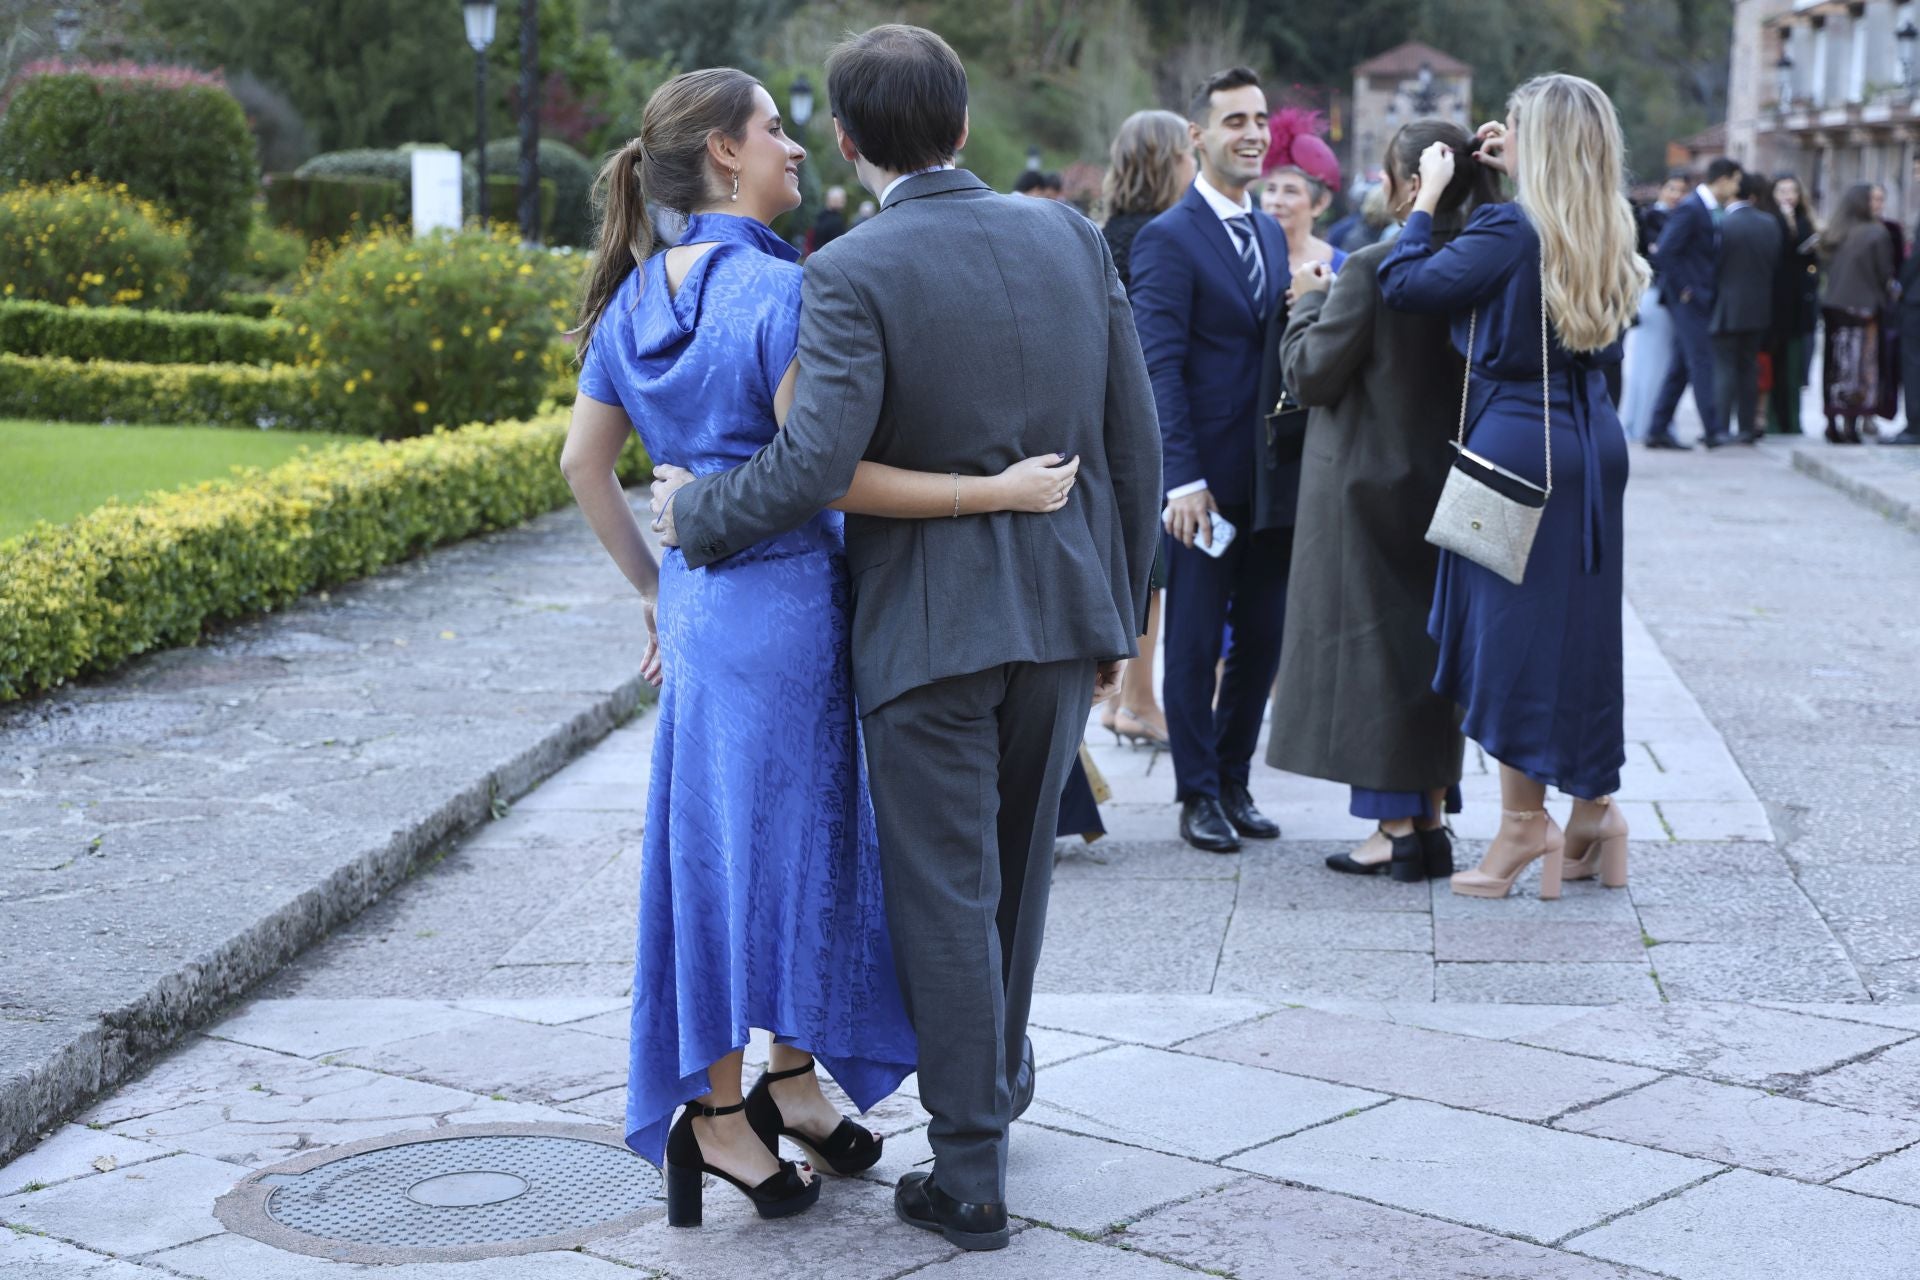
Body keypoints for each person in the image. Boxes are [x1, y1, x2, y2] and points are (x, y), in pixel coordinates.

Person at [650, 25, 1161, 1249]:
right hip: (1055, 614)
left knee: (943, 891)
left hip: (927, 636)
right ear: (966, 125)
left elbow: (815, 464)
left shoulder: (850, 267)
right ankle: (996, 1085)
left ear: (845, 141)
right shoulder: (1070, 233)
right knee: (1012, 884)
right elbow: (1137, 448)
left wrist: (693, 513)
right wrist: (1117, 616)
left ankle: (972, 1167)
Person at [1378, 72, 1645, 901]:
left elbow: (1404, 285)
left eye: (1517, 129)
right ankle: (1595, 811)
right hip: (1594, 443)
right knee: (1582, 634)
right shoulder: (1609, 225)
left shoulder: (1508, 229)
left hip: (1518, 449)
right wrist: (1503, 165)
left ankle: (1525, 824)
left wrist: (1425, 198)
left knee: (1508, 639)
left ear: (1541, 143)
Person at [1272, 115, 1496, 882]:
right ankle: (1429, 819)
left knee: (1371, 653)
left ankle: (1394, 828)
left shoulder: (1370, 266)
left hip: (1366, 483)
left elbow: (1310, 376)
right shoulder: (1481, 262)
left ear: (1407, 184)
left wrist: (1305, 300)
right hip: (1452, 482)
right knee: (1430, 653)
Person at [1129, 66, 1292, 855]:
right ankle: (1196, 794)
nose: (1253, 133)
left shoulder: (1267, 232)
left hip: (1271, 481)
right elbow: (1158, 366)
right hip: (1202, 486)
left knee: (1263, 639)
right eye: (1235, 121)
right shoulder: (1167, 240)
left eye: (1259, 119)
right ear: (1199, 136)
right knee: (1193, 643)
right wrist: (1181, 480)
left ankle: (1234, 777)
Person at [1096, 107, 1195, 751]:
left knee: (1136, 559)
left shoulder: (1108, 231)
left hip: (1103, 410)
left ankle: (1120, 701)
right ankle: (1138, 700)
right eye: (1188, 151)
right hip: (1138, 414)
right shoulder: (1154, 236)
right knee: (1148, 564)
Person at [1643, 156, 1743, 450]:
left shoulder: (1706, 208)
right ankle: (1713, 429)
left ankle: (1657, 429)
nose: (1736, 188)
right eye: (1735, 181)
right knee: (1702, 361)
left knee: (1681, 367)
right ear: (1723, 179)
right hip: (1688, 300)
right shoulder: (1691, 208)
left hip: (1699, 297)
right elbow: (1665, 253)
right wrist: (1684, 290)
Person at [1819, 182, 1895, 445]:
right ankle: (1851, 421)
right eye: (1874, 199)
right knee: (1860, 364)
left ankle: (1832, 419)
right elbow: (1884, 272)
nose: (1879, 205)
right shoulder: (1876, 233)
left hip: (1834, 304)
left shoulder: (1835, 232)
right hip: (1863, 307)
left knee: (1834, 363)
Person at [1710, 172, 1782, 446]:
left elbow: (1714, 266)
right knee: (1749, 367)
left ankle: (1720, 427)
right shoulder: (1769, 224)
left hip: (1726, 305)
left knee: (1725, 367)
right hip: (1759, 306)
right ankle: (1746, 427)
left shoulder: (1723, 223)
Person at [1619, 173, 1688, 441]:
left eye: (1681, 190)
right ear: (1661, 190)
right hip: (1654, 296)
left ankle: (1650, 421)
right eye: (1671, 188)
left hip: (1664, 297)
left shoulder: (1679, 218)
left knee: (1659, 363)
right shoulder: (1650, 218)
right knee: (1649, 364)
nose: (1676, 195)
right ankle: (1644, 423)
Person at [1261, 107, 1345, 272]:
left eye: (1290, 191)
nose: (1276, 201)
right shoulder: (1243, 259)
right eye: (1271, 189)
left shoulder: (1343, 268)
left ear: (1320, 203)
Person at [1768, 174, 1819, 435]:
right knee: (1775, 363)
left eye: (1793, 191)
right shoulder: (1770, 221)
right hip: (1775, 302)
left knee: (1794, 365)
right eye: (1783, 190)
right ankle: (1773, 419)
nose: (1788, 196)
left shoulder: (1805, 222)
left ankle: (1792, 420)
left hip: (1799, 303)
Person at [810, 184, 849, 252]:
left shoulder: (820, 216)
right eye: (842, 199)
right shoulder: (836, 221)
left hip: (815, 255)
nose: (844, 201)